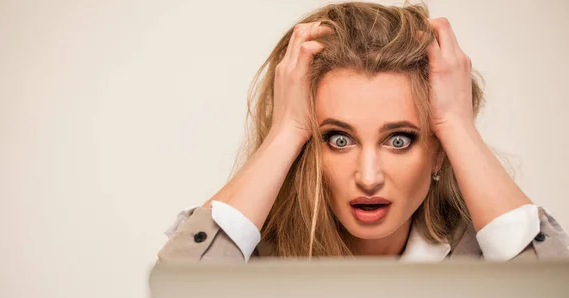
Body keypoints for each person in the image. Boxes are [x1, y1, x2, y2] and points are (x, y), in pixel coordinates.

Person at [157, 1, 568, 262]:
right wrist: (285, 131)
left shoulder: (483, 253)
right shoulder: (252, 255)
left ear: (438, 150)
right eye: (338, 139)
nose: (369, 177)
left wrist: (458, 127)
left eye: (399, 139)